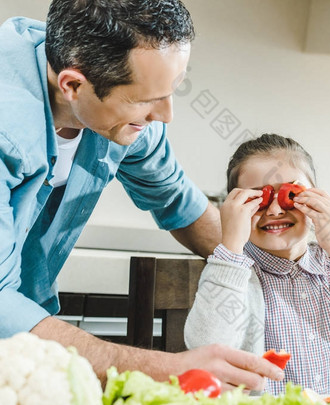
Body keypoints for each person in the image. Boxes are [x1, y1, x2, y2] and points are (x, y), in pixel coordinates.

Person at [0, 0, 283, 390]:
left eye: (172, 91)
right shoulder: (7, 124)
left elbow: (177, 201)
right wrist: (168, 367)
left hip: (28, 347)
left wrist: (280, 267)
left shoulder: (121, 115)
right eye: (144, 99)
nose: (165, 115)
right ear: (73, 85)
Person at [184, 133, 330, 395]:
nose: (275, 210)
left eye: (292, 194)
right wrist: (231, 248)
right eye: (259, 200)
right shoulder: (233, 272)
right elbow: (205, 347)